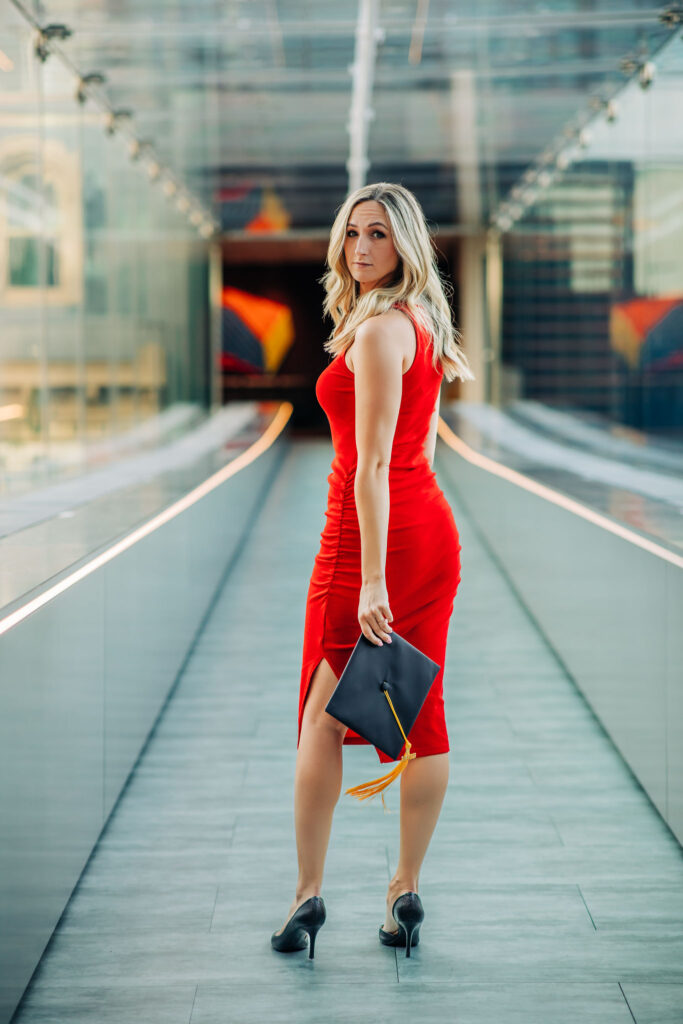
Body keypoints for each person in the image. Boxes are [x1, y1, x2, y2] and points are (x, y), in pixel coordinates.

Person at [271, 182, 475, 960]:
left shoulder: (379, 331)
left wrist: (371, 581)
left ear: (406, 246)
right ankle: (403, 891)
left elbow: (374, 465)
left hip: (367, 543)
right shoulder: (421, 320)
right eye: (352, 232)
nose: (360, 248)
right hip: (427, 530)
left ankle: (306, 896)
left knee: (321, 722)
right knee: (420, 716)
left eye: (379, 235)